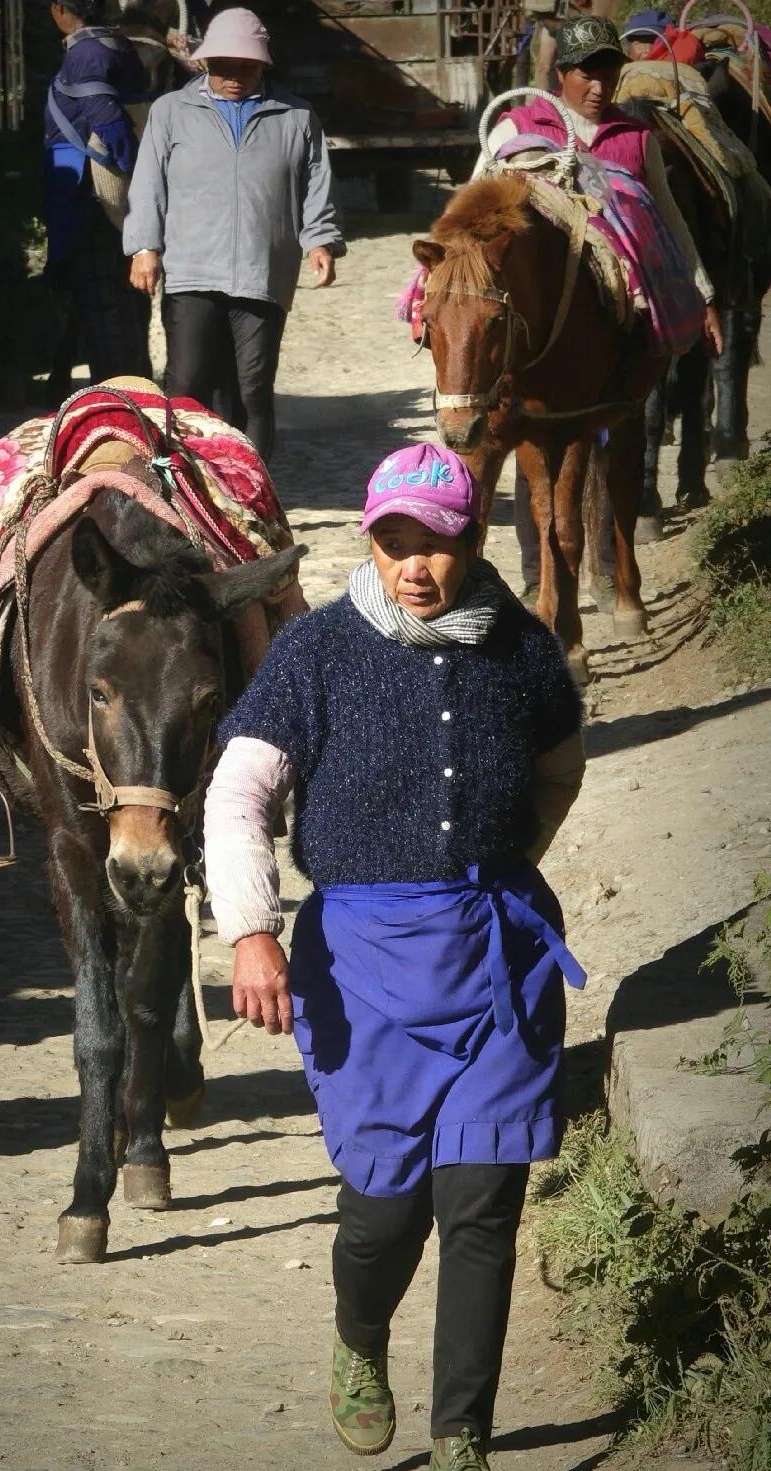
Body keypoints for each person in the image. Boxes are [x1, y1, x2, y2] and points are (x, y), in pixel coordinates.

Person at [203, 443, 587, 1471]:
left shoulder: (522, 648)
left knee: (482, 1200)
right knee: (385, 1207)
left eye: (436, 543)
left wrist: (503, 868)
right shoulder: (319, 652)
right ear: (371, 541)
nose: (414, 565)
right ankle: (360, 1335)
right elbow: (238, 793)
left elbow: (560, 764)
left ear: (470, 539)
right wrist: (252, 929)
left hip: (498, 960)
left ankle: (464, 1433)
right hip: (364, 967)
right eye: (393, 542)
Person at [124, 7, 345, 460]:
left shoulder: (296, 117)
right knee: (187, 384)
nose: (235, 76)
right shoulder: (171, 112)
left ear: (263, 64)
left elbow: (316, 184)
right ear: (205, 62)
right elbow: (147, 183)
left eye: (246, 66)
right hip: (192, 270)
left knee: (252, 389)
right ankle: (182, 487)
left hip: (263, 271)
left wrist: (320, 240)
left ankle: (252, 493)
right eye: (223, 66)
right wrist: (145, 246)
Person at [480, 15, 723, 356]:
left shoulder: (636, 139)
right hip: (537, 315)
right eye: (587, 76)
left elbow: (668, 220)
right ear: (562, 73)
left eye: (609, 77)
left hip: (624, 313)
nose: (599, 89)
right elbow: (472, 213)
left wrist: (704, 297)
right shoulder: (518, 131)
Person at [43, 0, 153, 404]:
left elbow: (106, 121)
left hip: (94, 203)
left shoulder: (88, 52)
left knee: (109, 317)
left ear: (58, 8)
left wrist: (132, 178)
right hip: (101, 204)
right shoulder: (112, 44)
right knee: (112, 311)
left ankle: (121, 410)